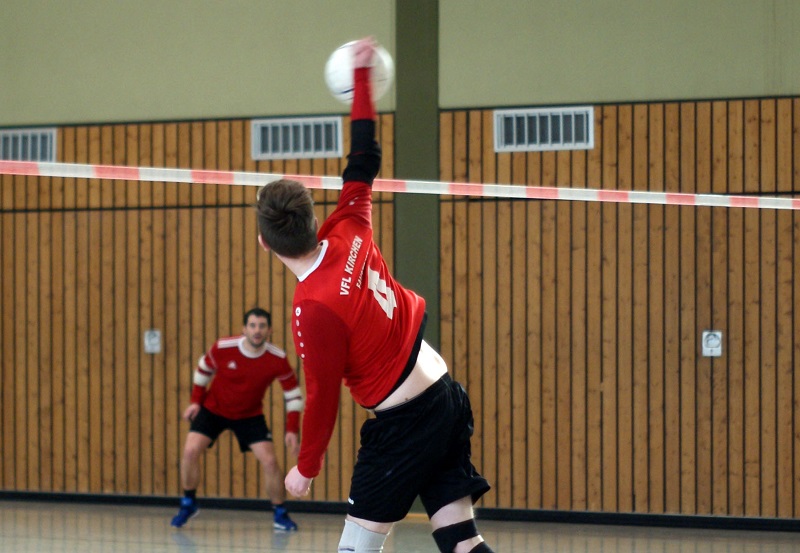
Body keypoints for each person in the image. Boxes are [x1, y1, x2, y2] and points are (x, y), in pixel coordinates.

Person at [255, 38, 493, 553]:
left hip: (407, 420)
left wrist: (306, 467)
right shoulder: (349, 226)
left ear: (264, 243)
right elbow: (365, 155)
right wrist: (362, 82)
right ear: (315, 218)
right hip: (444, 394)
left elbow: (320, 395)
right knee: (460, 540)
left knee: (355, 549)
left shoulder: (311, 307)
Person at [170, 307, 303, 532]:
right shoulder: (223, 348)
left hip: (250, 416)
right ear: (244, 329)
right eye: (252, 326)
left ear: (269, 330)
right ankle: (188, 502)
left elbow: (294, 396)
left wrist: (291, 429)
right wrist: (195, 401)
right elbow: (203, 371)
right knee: (190, 451)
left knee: (270, 462)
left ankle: (280, 513)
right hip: (213, 411)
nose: (257, 331)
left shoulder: (277, 359)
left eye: (262, 326)